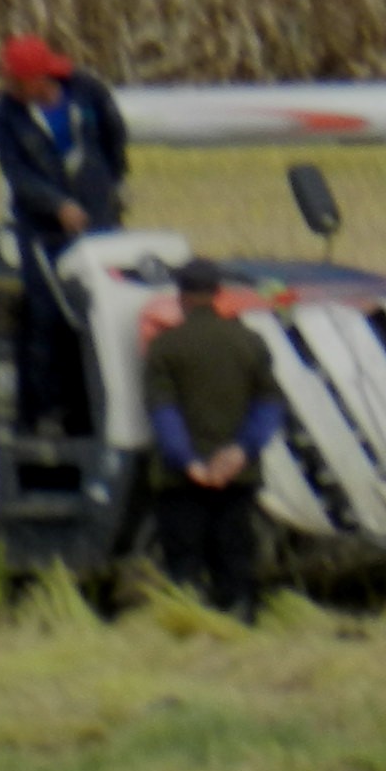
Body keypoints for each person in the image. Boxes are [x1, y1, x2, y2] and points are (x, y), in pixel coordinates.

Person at [0, 33, 127, 435]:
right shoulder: (5, 116)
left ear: (39, 77)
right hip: (42, 231)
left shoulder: (87, 93)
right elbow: (18, 174)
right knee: (46, 315)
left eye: (18, 81)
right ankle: (47, 412)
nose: (11, 89)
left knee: (98, 312)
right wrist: (57, 205)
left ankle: (95, 410)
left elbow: (114, 140)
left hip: (97, 222)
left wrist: (106, 188)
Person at [142, 257, 287, 622]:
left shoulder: (165, 347)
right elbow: (269, 404)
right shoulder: (250, 342)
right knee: (236, 553)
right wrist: (241, 450)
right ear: (219, 295)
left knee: (185, 560)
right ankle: (240, 622)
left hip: (182, 479)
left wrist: (188, 460)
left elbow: (164, 412)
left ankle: (192, 627)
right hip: (237, 475)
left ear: (181, 298)